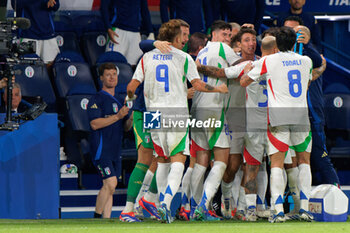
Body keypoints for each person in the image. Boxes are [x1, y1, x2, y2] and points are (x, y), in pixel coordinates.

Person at [126, 19, 228, 223]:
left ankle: (147, 201)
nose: (187, 38)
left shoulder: (147, 57)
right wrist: (218, 89)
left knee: (161, 160)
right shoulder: (184, 58)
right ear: (175, 36)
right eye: (183, 34)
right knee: (179, 160)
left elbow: (131, 86)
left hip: (152, 114)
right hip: (175, 114)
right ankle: (163, 203)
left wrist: (131, 100)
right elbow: (198, 85)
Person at [240, 26, 314, 223]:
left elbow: (244, 82)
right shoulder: (306, 61)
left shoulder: (268, 60)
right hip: (301, 116)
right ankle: (305, 209)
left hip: (279, 116)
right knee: (304, 162)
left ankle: (278, 210)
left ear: (276, 44)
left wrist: (248, 71)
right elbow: (307, 84)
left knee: (277, 164)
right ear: (293, 42)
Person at [190, 20, 240, 221]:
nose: (228, 39)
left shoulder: (202, 52)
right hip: (213, 109)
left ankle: (192, 207)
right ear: (215, 34)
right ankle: (202, 207)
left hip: (197, 109)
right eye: (225, 34)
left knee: (201, 162)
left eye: (229, 36)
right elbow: (239, 68)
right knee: (221, 161)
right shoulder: (222, 48)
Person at [283, 18, 339, 189]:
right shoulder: (281, 57)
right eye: (290, 31)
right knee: (287, 161)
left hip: (311, 114)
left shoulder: (311, 55)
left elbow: (317, 63)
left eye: (297, 32)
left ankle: (337, 195)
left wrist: (306, 45)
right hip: (287, 115)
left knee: (319, 157)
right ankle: (290, 202)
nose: (293, 35)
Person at [87, 63, 133, 219]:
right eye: (108, 74)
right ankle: (96, 218)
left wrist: (131, 117)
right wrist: (117, 116)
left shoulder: (120, 99)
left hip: (115, 149)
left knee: (110, 187)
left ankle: (105, 221)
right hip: (101, 149)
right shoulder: (96, 99)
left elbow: (126, 127)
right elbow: (94, 124)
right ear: (101, 78)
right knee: (111, 182)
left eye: (114, 74)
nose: (112, 77)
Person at [100, 0, 154, 66]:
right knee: (111, 65)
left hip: (135, 33)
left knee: (134, 68)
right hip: (118, 31)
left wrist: (151, 32)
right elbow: (104, 6)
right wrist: (108, 27)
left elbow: (144, 10)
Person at [11, 0, 60, 65]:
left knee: (50, 65)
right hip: (27, 34)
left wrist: (53, 4)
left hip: (46, 33)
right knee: (27, 67)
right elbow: (15, 4)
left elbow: (56, 5)